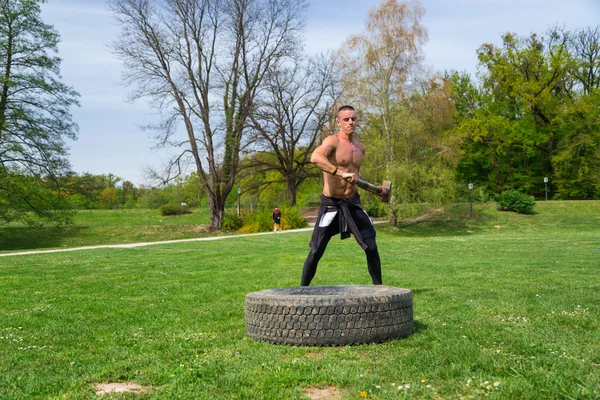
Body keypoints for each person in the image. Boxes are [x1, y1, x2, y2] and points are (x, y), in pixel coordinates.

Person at [300, 105, 382, 286]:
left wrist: (377, 190)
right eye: (346, 119)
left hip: (353, 203)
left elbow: (356, 177)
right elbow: (315, 158)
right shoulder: (332, 141)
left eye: (353, 119)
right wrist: (338, 172)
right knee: (316, 251)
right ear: (338, 122)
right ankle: (302, 291)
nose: (351, 122)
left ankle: (380, 291)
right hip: (331, 204)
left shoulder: (360, 148)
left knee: (372, 246)